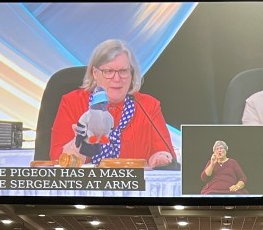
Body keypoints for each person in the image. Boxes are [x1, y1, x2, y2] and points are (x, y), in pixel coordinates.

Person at [49, 38, 175, 169]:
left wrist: (160, 159)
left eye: (123, 71)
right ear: (95, 73)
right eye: (108, 71)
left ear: (132, 74)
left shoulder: (148, 106)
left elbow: (166, 153)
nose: (117, 78)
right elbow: (56, 158)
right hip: (86, 187)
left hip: (137, 187)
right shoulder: (72, 102)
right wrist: (77, 147)